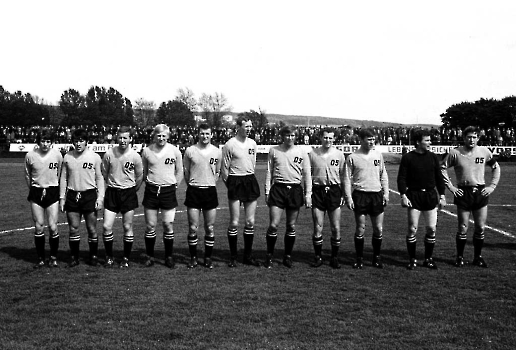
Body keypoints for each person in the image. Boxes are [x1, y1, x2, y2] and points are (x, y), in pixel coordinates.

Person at [441, 125, 501, 268]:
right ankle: (459, 257)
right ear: (464, 138)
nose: (471, 139)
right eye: (469, 137)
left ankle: (477, 257)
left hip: (480, 192)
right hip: (463, 192)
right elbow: (442, 168)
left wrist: (492, 186)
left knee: (480, 227)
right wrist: (451, 187)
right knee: (463, 227)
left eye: (474, 137)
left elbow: (496, 168)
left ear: (478, 138)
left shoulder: (484, 152)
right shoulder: (455, 152)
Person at [263, 126, 311, 268]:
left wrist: (308, 194)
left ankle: (287, 256)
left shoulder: (302, 152)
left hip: (295, 190)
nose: (290, 138)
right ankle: (269, 255)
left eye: (293, 135)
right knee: (273, 225)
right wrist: (267, 191)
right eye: (288, 135)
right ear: (282, 136)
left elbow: (307, 175)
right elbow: (269, 172)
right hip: (278, 189)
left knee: (291, 226)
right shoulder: (274, 150)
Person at [397, 129, 446, 270]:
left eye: (430, 140)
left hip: (430, 196)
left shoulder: (433, 157)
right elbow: (402, 178)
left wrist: (442, 195)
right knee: (412, 229)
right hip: (414, 196)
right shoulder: (408, 158)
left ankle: (428, 259)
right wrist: (403, 195)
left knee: (431, 229)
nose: (430, 143)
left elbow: (439, 178)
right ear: (418, 142)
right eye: (427, 140)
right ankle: (412, 259)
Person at [344, 128, 389, 269]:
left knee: (378, 229)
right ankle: (359, 258)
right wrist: (348, 198)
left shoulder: (378, 155)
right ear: (361, 140)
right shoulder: (352, 157)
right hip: (361, 195)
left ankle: (376, 257)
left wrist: (386, 193)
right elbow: (346, 179)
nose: (371, 141)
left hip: (376, 195)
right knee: (360, 228)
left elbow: (383, 175)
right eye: (368, 139)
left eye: (373, 139)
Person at [59, 129, 105, 267]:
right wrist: (62, 198)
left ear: (86, 142)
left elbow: (99, 178)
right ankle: (74, 257)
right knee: (73, 228)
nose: (78, 144)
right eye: (76, 141)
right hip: (72, 195)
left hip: (89, 195)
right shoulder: (67, 157)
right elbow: (63, 178)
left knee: (91, 229)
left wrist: (100, 198)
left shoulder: (95, 157)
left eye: (81, 141)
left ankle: (93, 256)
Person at [141, 124, 183, 268]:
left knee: (167, 224)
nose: (161, 138)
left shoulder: (175, 151)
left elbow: (179, 172)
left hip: (168, 191)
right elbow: (144, 172)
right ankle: (150, 256)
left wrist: (173, 185)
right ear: (154, 136)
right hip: (152, 191)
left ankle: (169, 257)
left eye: (164, 135)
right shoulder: (146, 151)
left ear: (168, 136)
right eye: (158, 135)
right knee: (150, 225)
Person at [220, 116, 260, 267]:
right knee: (234, 222)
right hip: (235, 181)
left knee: (250, 222)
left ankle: (247, 256)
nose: (249, 129)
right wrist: (231, 184)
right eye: (246, 126)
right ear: (238, 127)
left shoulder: (253, 144)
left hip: (249, 180)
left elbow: (253, 163)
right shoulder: (230, 145)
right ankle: (233, 256)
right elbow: (224, 169)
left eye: (250, 126)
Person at [101, 126, 143, 268]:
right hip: (112, 192)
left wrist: (131, 190)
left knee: (127, 226)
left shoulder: (136, 156)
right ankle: (109, 257)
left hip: (128, 193)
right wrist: (113, 184)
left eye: (125, 137)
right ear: (116, 138)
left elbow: (139, 176)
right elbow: (104, 173)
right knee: (106, 226)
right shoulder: (109, 154)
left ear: (130, 139)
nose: (123, 140)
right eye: (120, 137)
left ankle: (125, 258)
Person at [183, 124, 222, 269]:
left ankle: (208, 258)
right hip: (194, 191)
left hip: (210, 192)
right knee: (193, 227)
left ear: (211, 135)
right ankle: (193, 258)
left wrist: (209, 183)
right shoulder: (190, 151)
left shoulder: (217, 152)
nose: (205, 136)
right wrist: (194, 184)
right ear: (197, 134)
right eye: (202, 133)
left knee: (209, 227)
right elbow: (186, 172)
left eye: (207, 134)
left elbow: (217, 173)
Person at [24, 130, 63, 268]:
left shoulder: (57, 154)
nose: (45, 144)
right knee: (39, 226)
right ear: (38, 141)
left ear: (51, 142)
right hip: (36, 192)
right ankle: (40, 258)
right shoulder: (30, 155)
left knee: (53, 227)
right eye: (43, 141)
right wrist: (34, 189)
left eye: (48, 141)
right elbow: (28, 175)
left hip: (52, 191)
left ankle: (53, 257)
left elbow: (60, 173)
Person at [309, 128, 345, 269]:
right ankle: (318, 257)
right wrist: (308, 193)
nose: (328, 140)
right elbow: (308, 175)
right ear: (320, 138)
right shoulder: (312, 154)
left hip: (334, 191)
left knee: (335, 228)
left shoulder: (339, 155)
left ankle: (334, 257)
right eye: (325, 137)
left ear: (334, 139)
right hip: (318, 191)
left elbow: (344, 176)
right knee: (318, 226)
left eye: (330, 138)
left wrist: (343, 194)